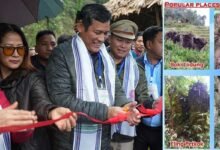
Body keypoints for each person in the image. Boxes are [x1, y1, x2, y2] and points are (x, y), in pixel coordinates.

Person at [46, 4, 140, 150]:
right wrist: (105, 112)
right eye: (97, 32)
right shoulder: (62, 55)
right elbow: (61, 99)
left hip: (103, 138)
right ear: (81, 26)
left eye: (106, 33)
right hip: (70, 140)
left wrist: (125, 105)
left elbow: (116, 90)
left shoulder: (105, 56)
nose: (102, 39)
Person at [0, 23, 77, 150]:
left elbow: (41, 102)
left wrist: (52, 111)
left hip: (31, 145)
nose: (15, 54)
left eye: (20, 49)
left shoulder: (32, 77)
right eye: (9, 49)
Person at [108, 20, 154, 150]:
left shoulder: (136, 69)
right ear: (110, 38)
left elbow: (142, 96)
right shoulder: (97, 63)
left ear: (132, 44)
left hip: (125, 131)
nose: (123, 45)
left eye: (127, 42)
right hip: (100, 129)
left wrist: (151, 104)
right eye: (119, 40)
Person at [134, 26, 163, 150]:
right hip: (139, 126)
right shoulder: (135, 64)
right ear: (149, 44)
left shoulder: (172, 68)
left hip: (162, 129)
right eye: (162, 42)